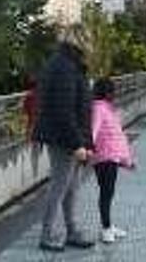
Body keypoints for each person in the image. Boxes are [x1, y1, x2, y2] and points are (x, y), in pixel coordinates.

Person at [33, 35, 94, 252]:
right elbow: (63, 111)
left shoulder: (71, 63)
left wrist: (87, 143)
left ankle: (71, 231)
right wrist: (77, 143)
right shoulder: (63, 67)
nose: (92, 44)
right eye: (89, 39)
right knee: (59, 187)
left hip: (70, 136)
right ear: (79, 42)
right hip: (62, 137)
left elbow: (81, 108)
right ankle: (47, 235)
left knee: (71, 187)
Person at [90, 77, 135, 243]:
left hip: (112, 157)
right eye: (112, 91)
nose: (114, 94)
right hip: (103, 157)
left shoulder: (108, 109)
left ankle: (109, 225)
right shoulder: (98, 109)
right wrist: (88, 149)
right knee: (106, 192)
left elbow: (117, 136)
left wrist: (125, 160)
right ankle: (106, 228)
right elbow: (93, 131)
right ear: (106, 92)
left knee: (109, 193)